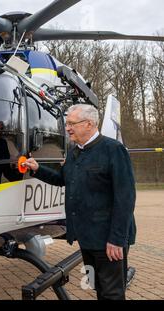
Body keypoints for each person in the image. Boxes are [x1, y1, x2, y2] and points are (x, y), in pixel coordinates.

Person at [24, 104, 136, 300]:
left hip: (108, 239)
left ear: (89, 124)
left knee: (112, 293)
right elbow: (62, 180)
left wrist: (117, 240)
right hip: (86, 237)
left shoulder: (113, 150)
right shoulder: (75, 152)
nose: (67, 128)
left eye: (71, 123)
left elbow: (125, 198)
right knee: (98, 287)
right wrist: (36, 168)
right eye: (67, 123)